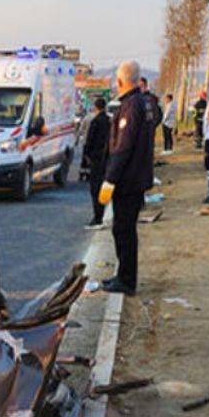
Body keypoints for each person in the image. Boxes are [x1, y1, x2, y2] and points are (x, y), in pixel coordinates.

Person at [97, 61, 154, 295]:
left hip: (129, 181)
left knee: (124, 230)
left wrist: (109, 180)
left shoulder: (131, 106)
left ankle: (127, 280)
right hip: (136, 178)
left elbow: (122, 148)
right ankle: (123, 275)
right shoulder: (141, 102)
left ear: (120, 82)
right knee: (123, 229)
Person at [82, 97, 111, 226]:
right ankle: (104, 212)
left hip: (97, 159)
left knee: (95, 189)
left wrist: (87, 155)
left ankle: (98, 217)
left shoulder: (95, 122)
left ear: (95, 107)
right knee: (106, 186)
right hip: (108, 159)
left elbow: (89, 141)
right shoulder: (109, 121)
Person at [138, 77, 163, 155]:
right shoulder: (136, 98)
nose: (140, 88)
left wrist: (152, 125)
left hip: (148, 130)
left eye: (141, 86)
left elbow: (158, 114)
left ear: (145, 85)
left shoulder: (151, 99)